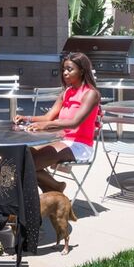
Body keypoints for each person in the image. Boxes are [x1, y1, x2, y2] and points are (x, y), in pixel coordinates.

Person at [15, 52, 101, 193]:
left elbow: (74, 123)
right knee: (24, 155)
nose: (65, 73)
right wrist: (27, 118)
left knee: (27, 165)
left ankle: (53, 189)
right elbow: (48, 117)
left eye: (69, 69)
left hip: (79, 145)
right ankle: (54, 188)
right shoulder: (67, 92)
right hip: (62, 140)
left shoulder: (91, 94)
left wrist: (47, 126)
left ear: (82, 71)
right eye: (64, 69)